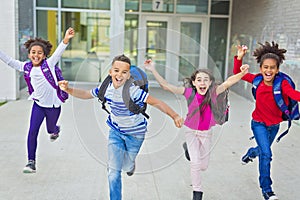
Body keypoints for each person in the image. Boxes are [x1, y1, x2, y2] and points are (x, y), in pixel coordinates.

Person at [58, 54, 183, 200]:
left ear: (129, 75)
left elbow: (156, 102)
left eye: (124, 72)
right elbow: (86, 94)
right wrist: (68, 89)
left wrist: (174, 115)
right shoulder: (106, 88)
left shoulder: (133, 91)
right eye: (116, 70)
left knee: (127, 166)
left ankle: (130, 165)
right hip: (115, 132)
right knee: (113, 172)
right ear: (110, 71)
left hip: (135, 135)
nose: (119, 75)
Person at [144, 59, 249, 200]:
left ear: (210, 83)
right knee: (195, 163)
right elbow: (166, 86)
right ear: (194, 83)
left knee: (203, 166)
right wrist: (153, 69)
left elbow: (229, 82)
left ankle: (187, 149)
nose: (202, 83)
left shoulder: (214, 93)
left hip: (206, 134)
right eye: (199, 80)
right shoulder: (189, 93)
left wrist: (241, 74)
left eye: (206, 80)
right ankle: (197, 192)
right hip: (191, 132)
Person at [0, 27, 75, 173]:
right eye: (33, 52)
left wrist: (66, 39)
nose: (36, 55)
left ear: (45, 55)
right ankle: (31, 162)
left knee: (50, 129)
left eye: (39, 53)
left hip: (53, 106)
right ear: (29, 54)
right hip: (38, 105)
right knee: (32, 131)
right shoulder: (26, 67)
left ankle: (55, 130)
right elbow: (9, 61)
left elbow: (59, 51)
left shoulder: (49, 64)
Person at [234, 41, 300, 200]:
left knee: (262, 151)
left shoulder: (282, 83)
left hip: (274, 126)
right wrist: (239, 58)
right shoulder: (257, 80)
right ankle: (267, 189)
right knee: (267, 154)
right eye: (266, 67)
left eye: (272, 68)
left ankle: (251, 153)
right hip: (258, 125)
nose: (268, 70)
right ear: (261, 68)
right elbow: (238, 73)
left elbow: (294, 94)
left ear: (277, 70)